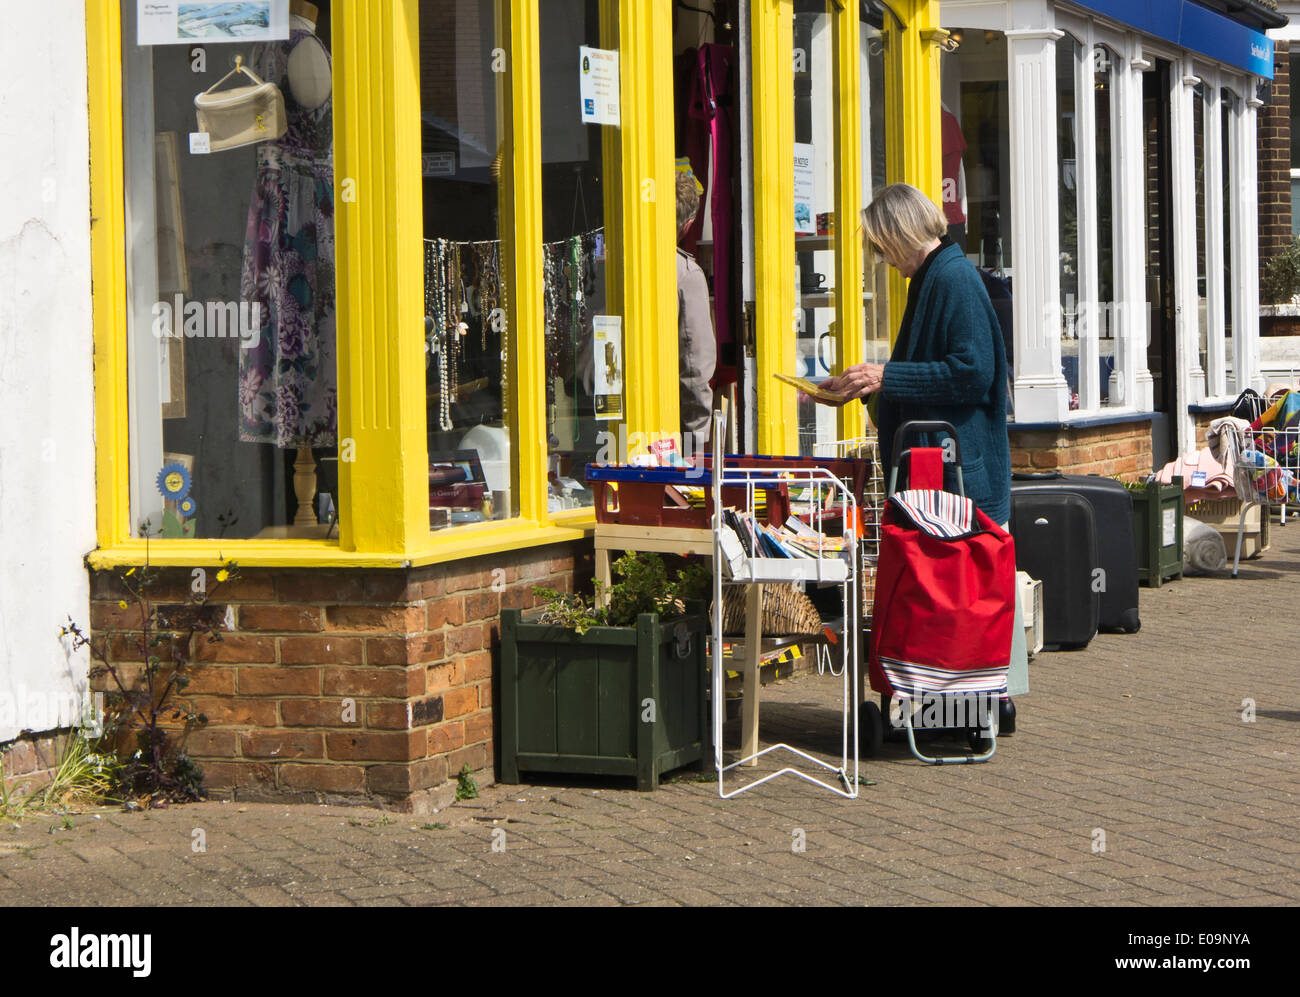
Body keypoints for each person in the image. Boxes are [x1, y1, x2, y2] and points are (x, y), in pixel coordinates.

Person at [813, 182, 1026, 720]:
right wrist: (872, 384)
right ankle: (960, 693)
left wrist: (887, 375)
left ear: (901, 234)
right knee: (952, 586)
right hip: (944, 467)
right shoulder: (939, 276)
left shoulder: (951, 280)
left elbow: (973, 373)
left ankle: (965, 693)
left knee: (958, 584)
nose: (883, 259)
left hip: (959, 472)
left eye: (883, 246)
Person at [676, 170, 716, 450]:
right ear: (688, 225)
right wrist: (697, 447)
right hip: (659, 435)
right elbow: (695, 368)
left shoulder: (613, 261)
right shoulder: (685, 274)